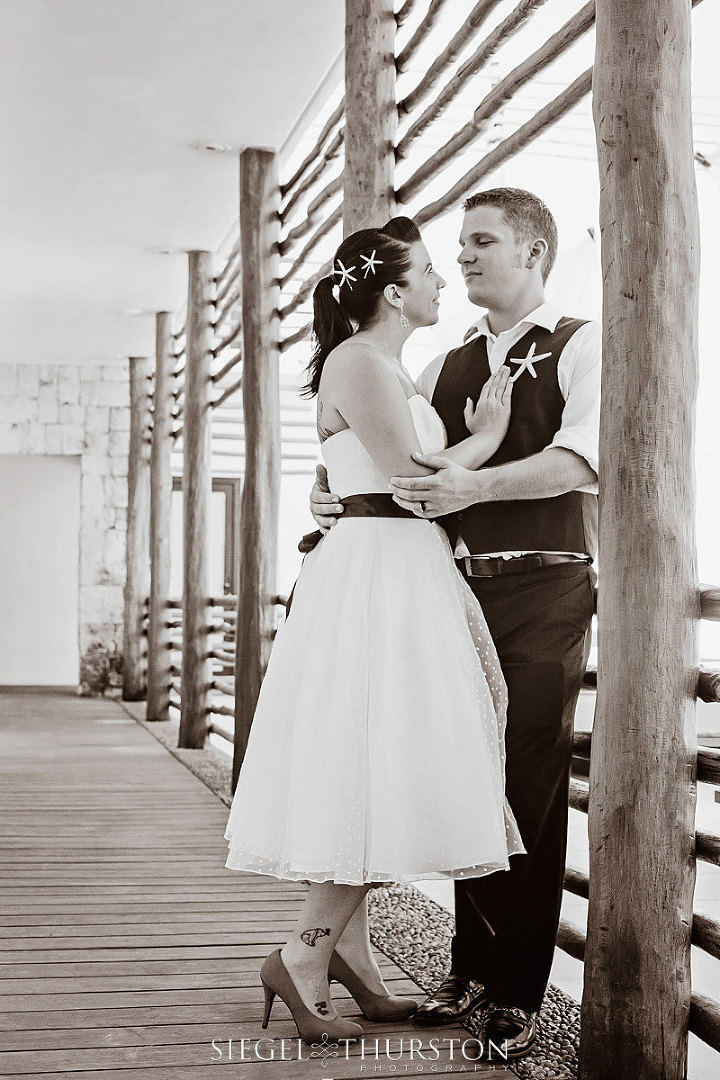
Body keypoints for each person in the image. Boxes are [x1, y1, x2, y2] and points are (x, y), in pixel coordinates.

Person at [309, 189, 600, 1060]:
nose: (464, 258)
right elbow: (403, 473)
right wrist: (333, 498)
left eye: (482, 242)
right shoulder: (443, 366)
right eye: (459, 247)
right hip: (452, 592)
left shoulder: (583, 342)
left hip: (548, 586)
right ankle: (467, 973)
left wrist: (472, 483)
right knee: (462, 776)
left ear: (536, 252)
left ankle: (515, 995)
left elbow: (581, 459)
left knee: (530, 787)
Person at [223, 215, 525, 1045]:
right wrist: (491, 433)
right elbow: (407, 478)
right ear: (393, 291)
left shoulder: (386, 366)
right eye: (428, 270)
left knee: (391, 756)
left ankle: (347, 955)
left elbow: (364, 472)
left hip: (400, 568)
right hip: (380, 577)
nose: (440, 281)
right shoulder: (360, 360)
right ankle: (304, 951)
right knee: (378, 754)